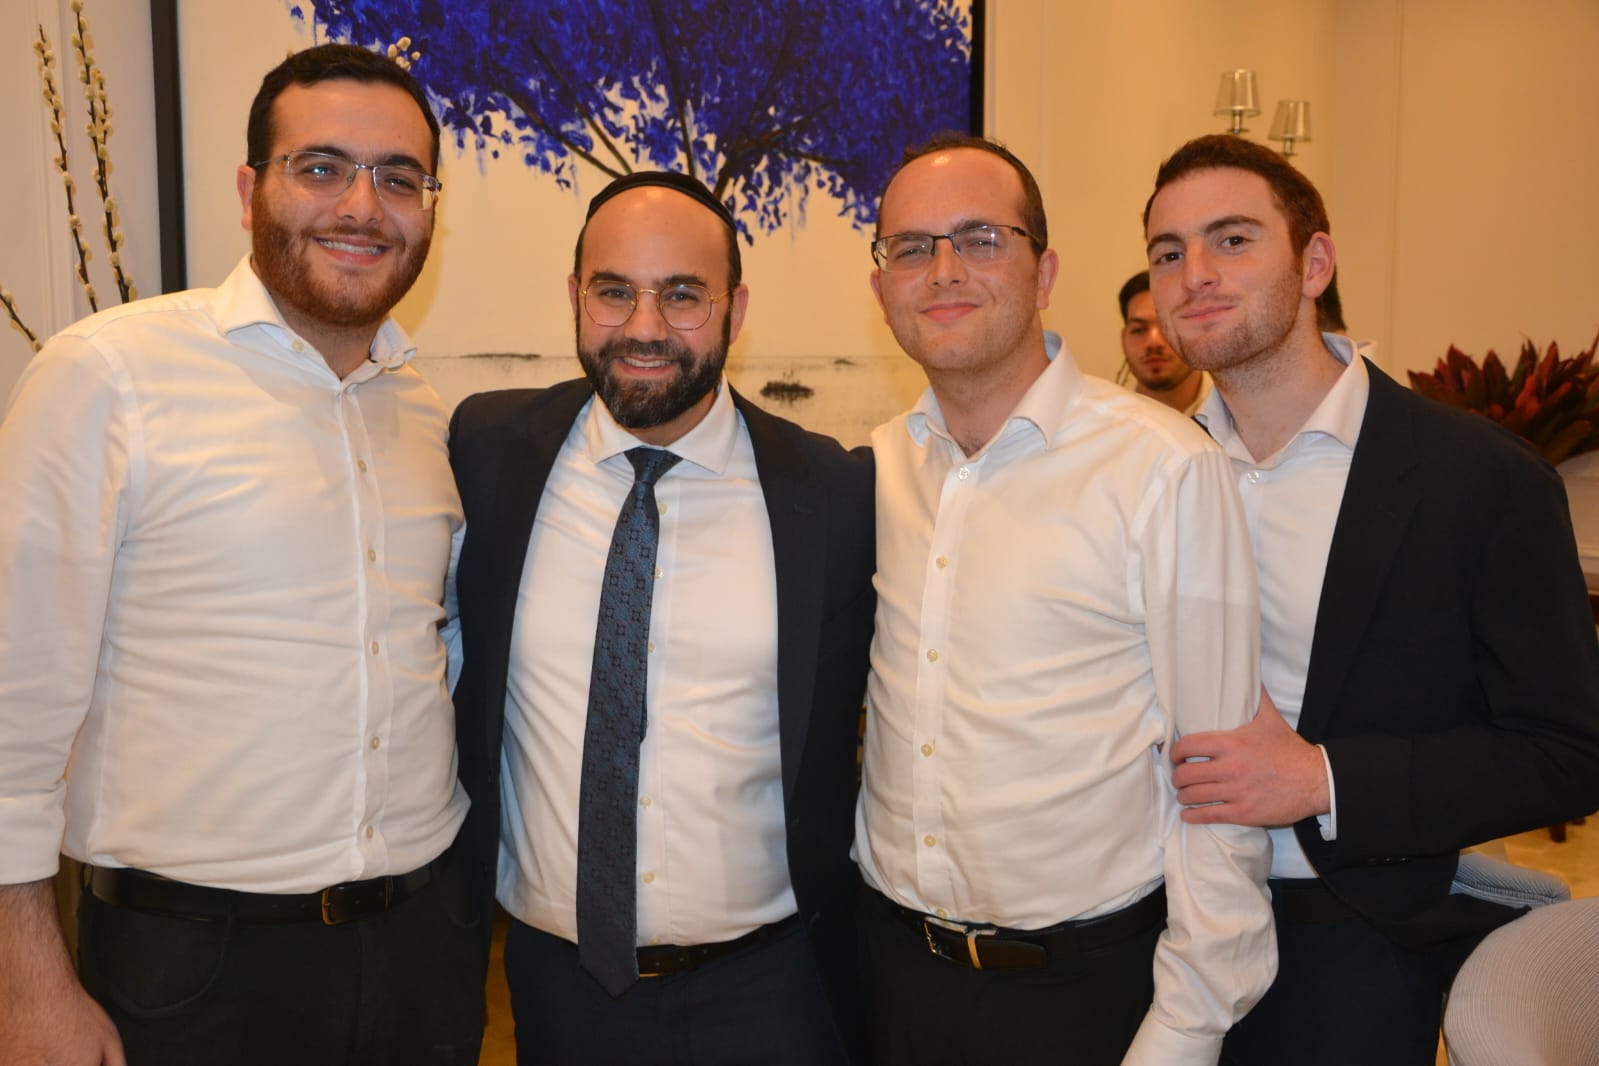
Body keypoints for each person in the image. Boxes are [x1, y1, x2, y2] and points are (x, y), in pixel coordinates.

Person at [0, 43, 481, 1066]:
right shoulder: (108, 375)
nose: (363, 205)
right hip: (194, 969)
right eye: (321, 167)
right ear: (249, 188)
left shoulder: (425, 413)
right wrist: (27, 987)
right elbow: (11, 709)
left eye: (400, 178)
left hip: (422, 952)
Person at [1143, 133, 1599, 1066]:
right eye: (1167, 252)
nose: (1195, 275)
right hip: (1139, 921)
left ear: (1314, 263)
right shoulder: (1137, 469)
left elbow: (1567, 753)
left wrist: (1322, 779)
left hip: (1345, 936)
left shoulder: (1478, 479)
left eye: (1232, 239)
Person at [855, 133, 1274, 1066]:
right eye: (911, 248)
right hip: (891, 973)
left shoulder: (1162, 469)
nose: (943, 270)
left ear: (1043, 273)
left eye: (980, 238)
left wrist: (1188, 1024)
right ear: (880, 288)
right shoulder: (876, 470)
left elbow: (1220, 777)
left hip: (1081, 994)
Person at [447, 170, 876, 1065]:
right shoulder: (487, 455)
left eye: (682, 295)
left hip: (776, 993)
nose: (644, 327)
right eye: (614, 292)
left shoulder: (831, 493)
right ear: (575, 297)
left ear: (734, 309)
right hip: (557, 990)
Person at [1117, 269, 1210, 414]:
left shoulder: (1236, 412)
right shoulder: (1107, 421)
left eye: (1168, 326)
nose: (1153, 342)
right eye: (1138, 330)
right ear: (1123, 340)